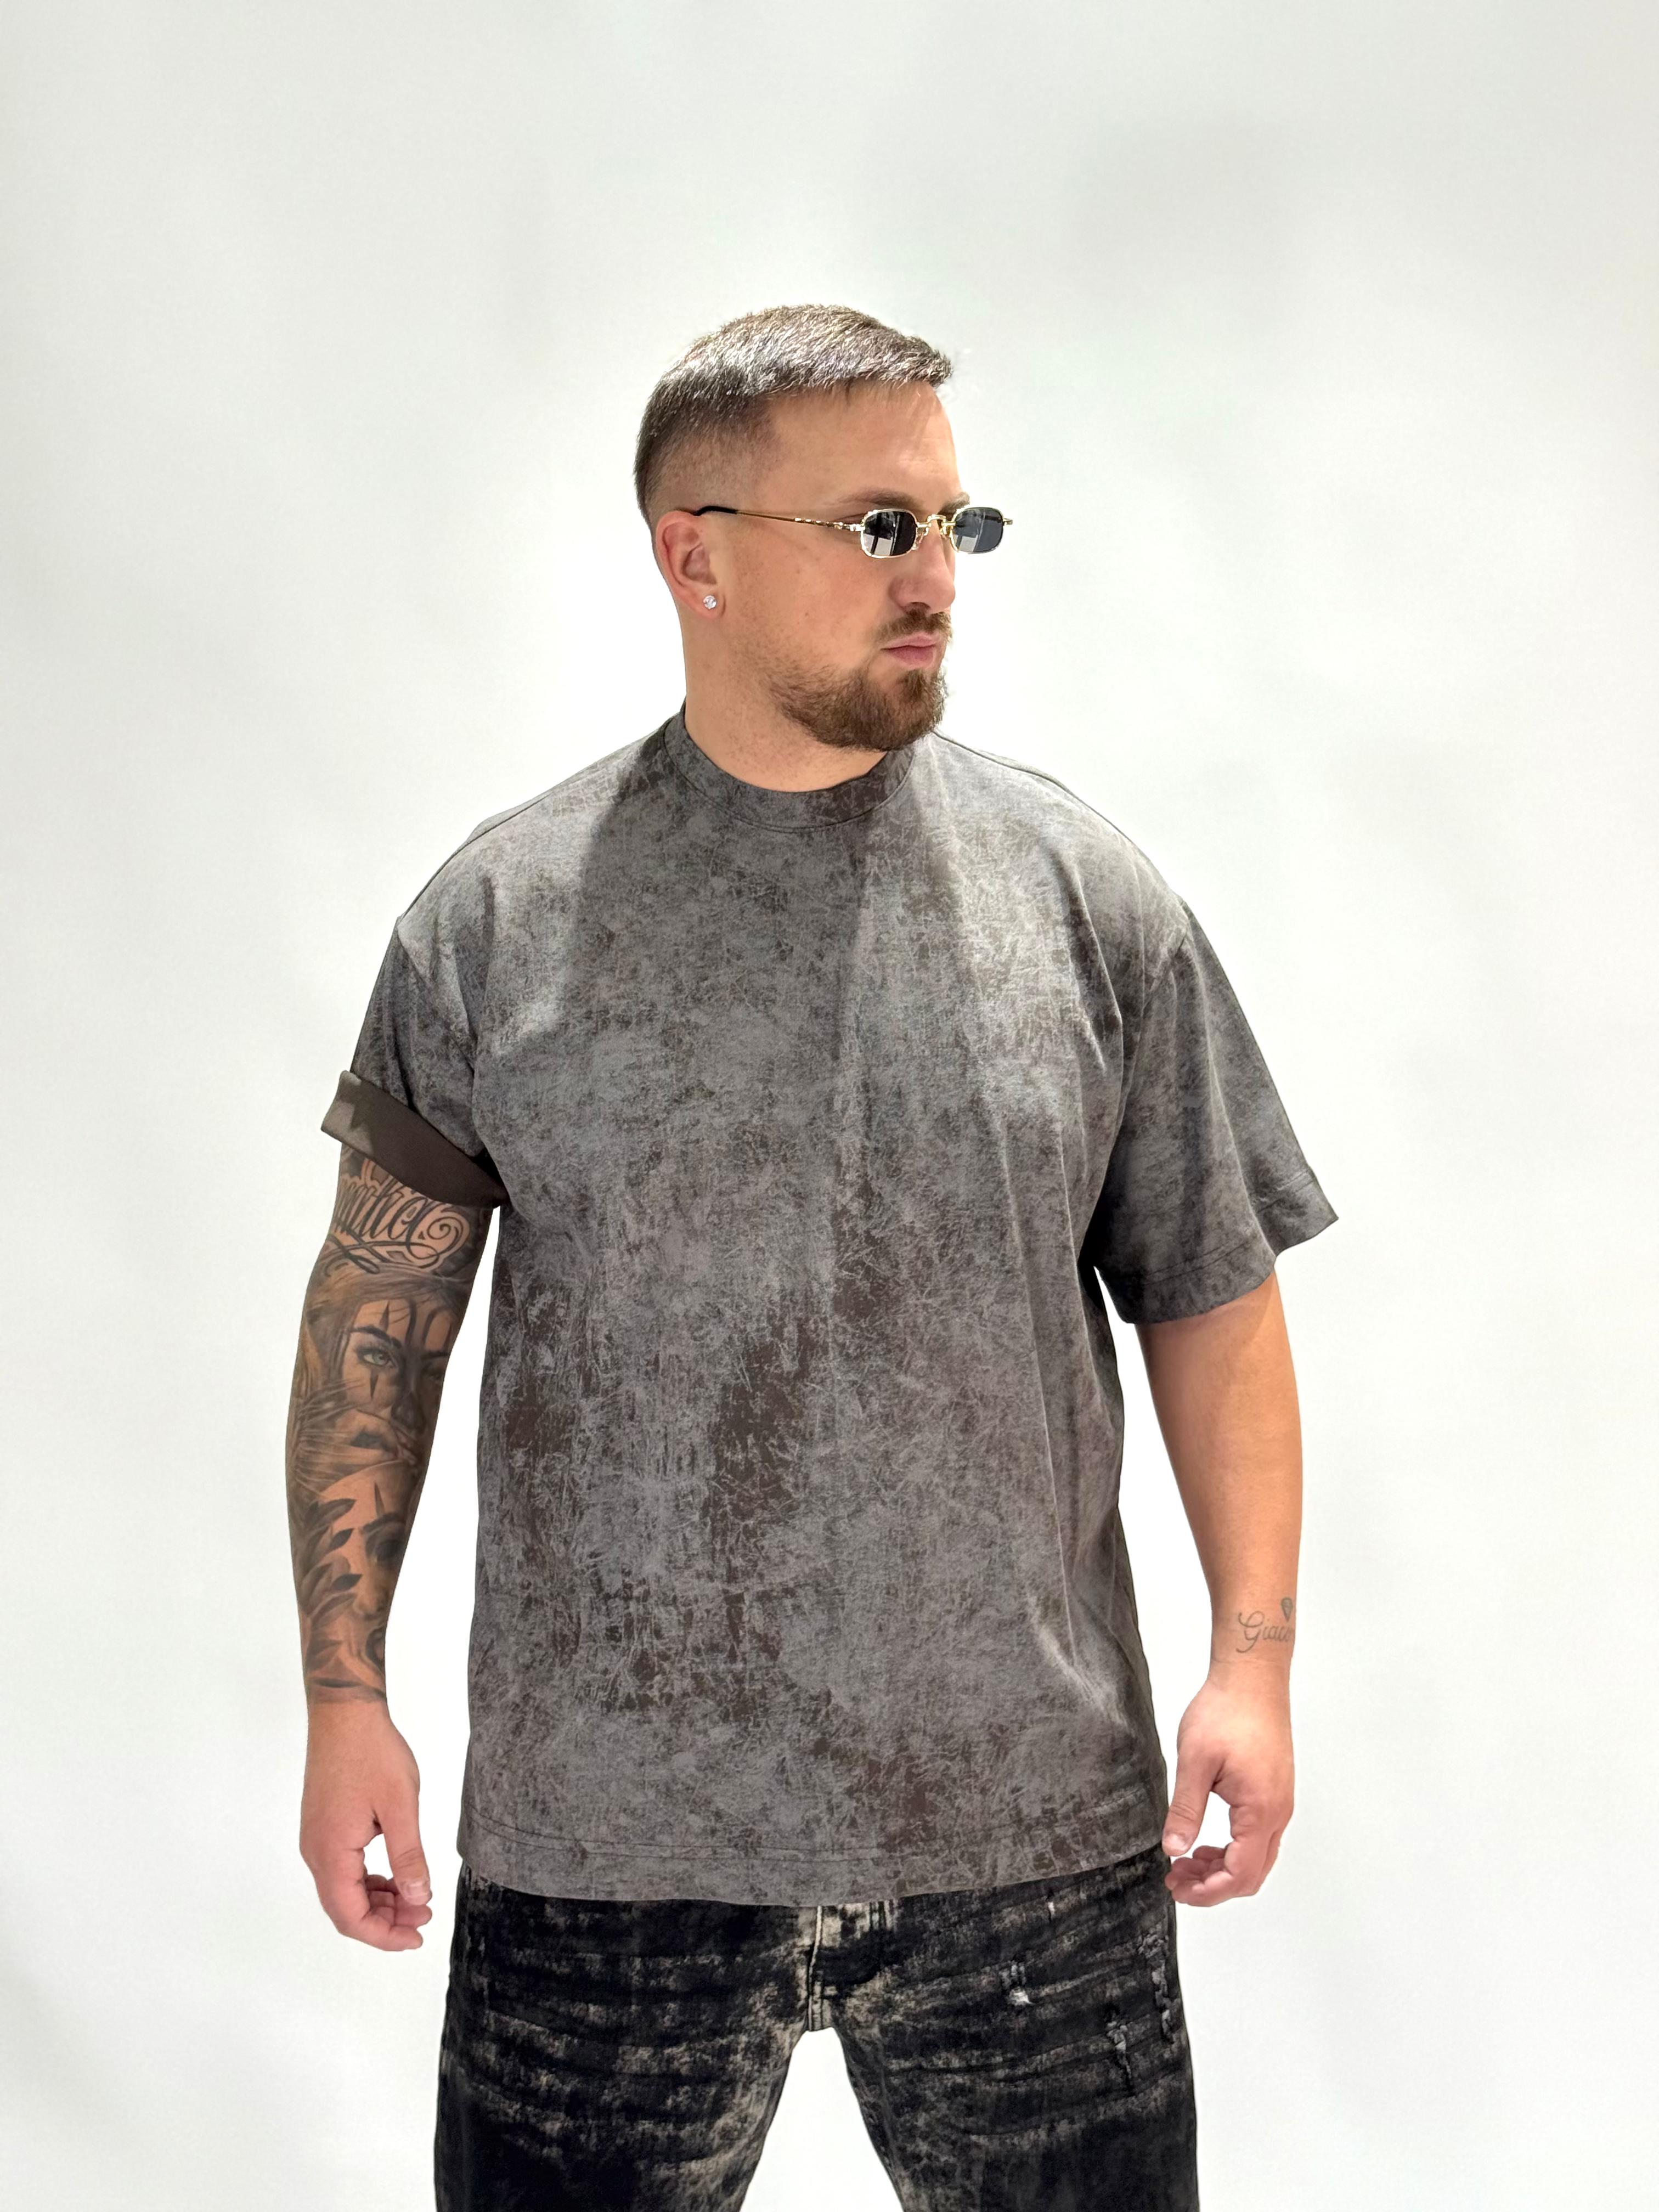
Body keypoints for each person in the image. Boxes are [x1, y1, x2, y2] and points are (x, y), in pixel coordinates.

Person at [285, 301, 1338, 2209]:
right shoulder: (495, 927)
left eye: (957, 525)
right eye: (878, 527)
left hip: (1031, 1839)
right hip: (609, 1852)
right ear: (693, 556)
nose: (937, 575)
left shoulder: (1083, 904)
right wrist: (342, 1699)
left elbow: (1210, 1288)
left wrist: (1250, 1663)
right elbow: (377, 1321)